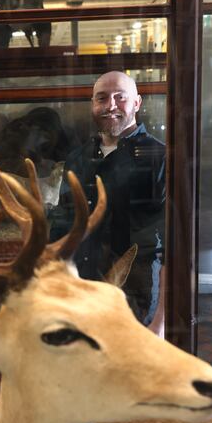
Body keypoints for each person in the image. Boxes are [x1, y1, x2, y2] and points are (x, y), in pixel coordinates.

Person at [49, 71, 165, 326]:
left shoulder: (160, 157)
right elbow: (63, 223)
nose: (110, 105)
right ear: (93, 104)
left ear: (137, 103)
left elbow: (168, 240)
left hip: (134, 289)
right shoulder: (78, 158)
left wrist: (161, 319)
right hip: (81, 285)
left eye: (120, 97)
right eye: (102, 98)